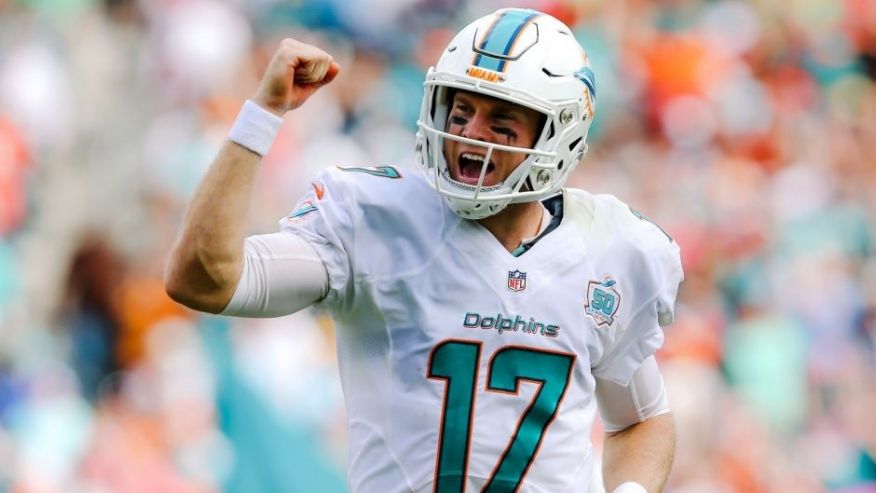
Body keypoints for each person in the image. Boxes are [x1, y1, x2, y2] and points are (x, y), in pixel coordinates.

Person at [165, 8, 683, 493]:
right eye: (462, 110)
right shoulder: (376, 220)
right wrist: (262, 115)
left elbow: (641, 419)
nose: (470, 137)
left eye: (501, 121)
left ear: (556, 137)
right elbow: (204, 280)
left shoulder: (607, 250)